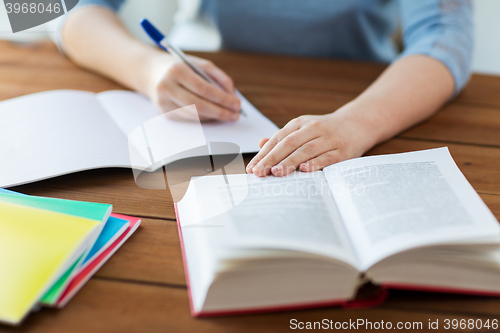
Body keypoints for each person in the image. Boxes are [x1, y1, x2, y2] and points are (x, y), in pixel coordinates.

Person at [60, 0, 473, 177]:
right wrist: (147, 68)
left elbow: (446, 39)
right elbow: (64, 11)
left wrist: (355, 125)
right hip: (221, 93)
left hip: (369, 95)